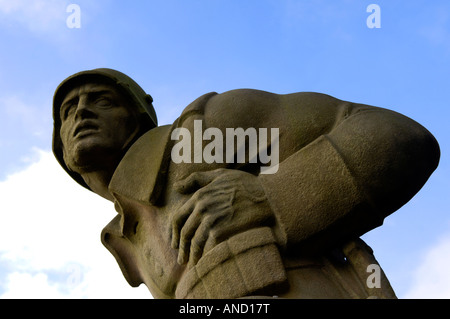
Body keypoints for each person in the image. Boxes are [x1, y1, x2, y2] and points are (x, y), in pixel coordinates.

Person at [52, 68, 440, 298]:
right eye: (67, 112)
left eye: (101, 100)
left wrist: (272, 197)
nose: (81, 111)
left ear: (137, 116)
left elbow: (396, 136)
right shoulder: (124, 235)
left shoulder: (209, 128)